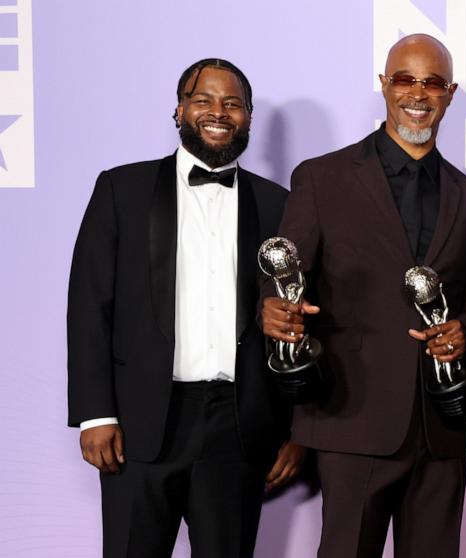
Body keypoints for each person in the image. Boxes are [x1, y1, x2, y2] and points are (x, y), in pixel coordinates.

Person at [260, 34, 466, 558]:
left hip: (442, 427)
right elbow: (283, 276)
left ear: (450, 93)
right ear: (385, 85)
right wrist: (270, 312)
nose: (418, 92)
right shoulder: (322, 178)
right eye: (405, 79)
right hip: (352, 418)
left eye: (432, 82)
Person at [66, 58, 305, 558]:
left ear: (248, 118)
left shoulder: (279, 204)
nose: (218, 112)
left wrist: (295, 428)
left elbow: (296, 322)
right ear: (179, 111)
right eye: (203, 100)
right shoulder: (121, 190)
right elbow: (90, 305)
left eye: (233, 104)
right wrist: (94, 415)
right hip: (140, 423)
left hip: (238, 429)